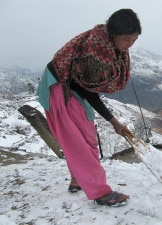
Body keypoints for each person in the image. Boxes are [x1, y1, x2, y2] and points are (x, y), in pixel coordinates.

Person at [37, 9, 142, 207]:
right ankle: (100, 192)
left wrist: (113, 122)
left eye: (134, 40)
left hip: (74, 86)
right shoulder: (96, 55)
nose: (130, 45)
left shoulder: (110, 47)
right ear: (113, 34)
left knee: (87, 136)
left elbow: (86, 86)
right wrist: (114, 121)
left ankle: (77, 179)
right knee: (76, 142)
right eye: (127, 39)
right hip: (60, 87)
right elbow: (86, 90)